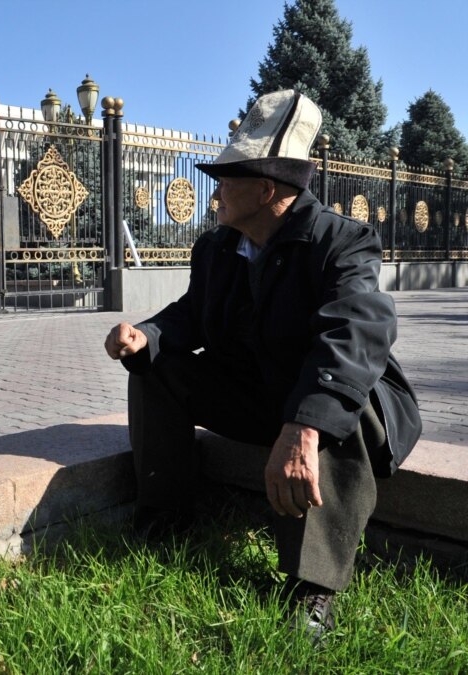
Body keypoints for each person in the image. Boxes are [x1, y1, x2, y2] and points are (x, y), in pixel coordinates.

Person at [104, 89, 422, 640]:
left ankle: (314, 586)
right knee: (156, 368)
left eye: (227, 180)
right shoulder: (219, 247)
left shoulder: (342, 242)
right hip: (259, 394)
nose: (216, 193)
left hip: (337, 400)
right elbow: (193, 316)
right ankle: (166, 520)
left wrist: (303, 426)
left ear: (267, 189)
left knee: (334, 399)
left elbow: (354, 334)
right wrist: (146, 335)